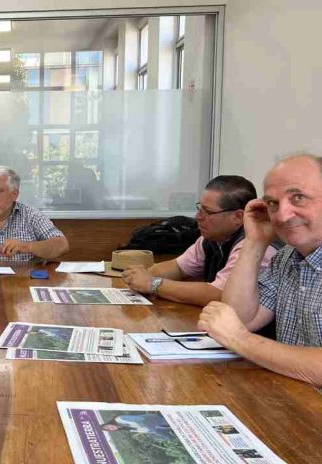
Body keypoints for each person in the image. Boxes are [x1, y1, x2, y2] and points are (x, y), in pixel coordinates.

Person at [199, 154, 322, 385]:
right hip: (294, 404)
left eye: (298, 197)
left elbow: (236, 331)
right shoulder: (286, 257)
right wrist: (255, 242)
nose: (282, 216)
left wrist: (241, 340)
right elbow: (240, 318)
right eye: (273, 203)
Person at [122, 176, 277, 306]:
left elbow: (218, 294)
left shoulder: (254, 245)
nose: (198, 217)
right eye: (200, 208)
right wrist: (139, 276)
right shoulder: (212, 238)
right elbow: (178, 267)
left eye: (207, 212)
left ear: (237, 217)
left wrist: (152, 283)